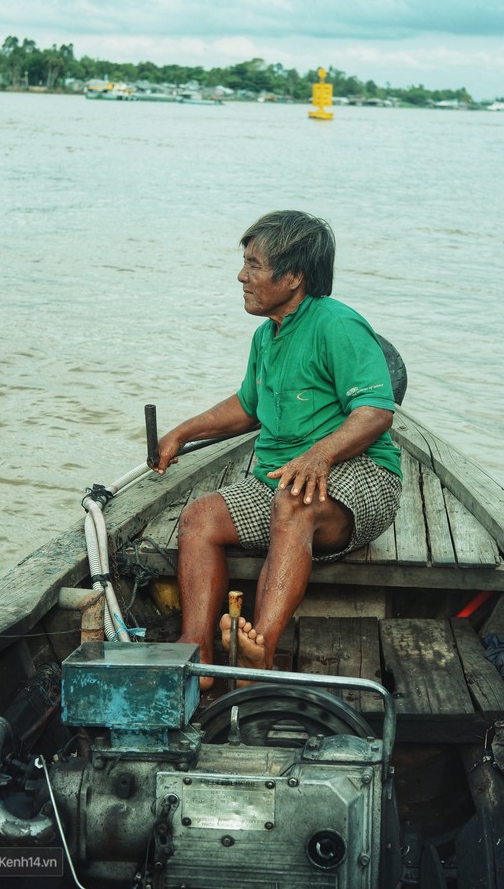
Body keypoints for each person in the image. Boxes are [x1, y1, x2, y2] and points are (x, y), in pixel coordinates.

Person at [152, 210, 402, 686]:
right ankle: (196, 658)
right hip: (284, 478)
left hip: (363, 475)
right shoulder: (266, 336)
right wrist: (182, 432)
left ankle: (259, 653)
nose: (241, 276)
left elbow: (376, 412)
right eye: (244, 263)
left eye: (254, 264)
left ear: (293, 277)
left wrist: (317, 455)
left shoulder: (338, 325)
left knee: (293, 499)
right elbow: (248, 407)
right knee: (199, 517)